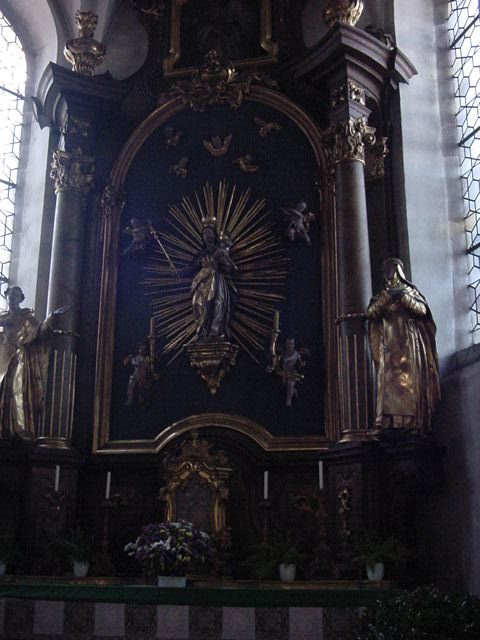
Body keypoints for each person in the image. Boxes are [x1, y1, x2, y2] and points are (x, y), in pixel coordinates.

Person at [367, 258, 441, 434]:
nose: (389, 273)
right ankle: (390, 423)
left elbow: (422, 311)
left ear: (399, 271)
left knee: (410, 383)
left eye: (392, 269)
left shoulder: (410, 292)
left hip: (409, 344)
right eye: (386, 270)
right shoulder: (382, 296)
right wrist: (386, 299)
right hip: (389, 346)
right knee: (388, 385)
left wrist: (404, 298)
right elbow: (371, 313)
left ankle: (412, 422)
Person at [0, 286, 65, 439]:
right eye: (10, 296)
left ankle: (20, 427)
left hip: (19, 357)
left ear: (21, 299)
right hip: (2, 358)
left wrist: (51, 319)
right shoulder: (3, 317)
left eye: (16, 296)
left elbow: (40, 332)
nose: (12, 299)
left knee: (16, 390)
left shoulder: (28, 319)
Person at [188, 224, 237, 340]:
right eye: (205, 233)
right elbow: (192, 268)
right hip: (204, 283)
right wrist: (179, 272)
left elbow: (232, 269)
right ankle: (203, 330)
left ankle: (215, 331)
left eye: (209, 232)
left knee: (218, 303)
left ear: (214, 235)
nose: (207, 235)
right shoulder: (202, 253)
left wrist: (224, 263)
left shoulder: (220, 251)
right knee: (200, 303)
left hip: (218, 280)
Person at [278, 337, 308, 407]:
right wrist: (282, 372)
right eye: (287, 344)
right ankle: (293, 391)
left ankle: (288, 401)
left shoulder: (297, 355)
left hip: (293, 374)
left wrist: (302, 364)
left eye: (291, 344)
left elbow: (300, 365)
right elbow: (279, 364)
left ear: (294, 345)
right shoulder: (283, 354)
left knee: (290, 383)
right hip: (284, 373)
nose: (289, 345)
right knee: (284, 383)